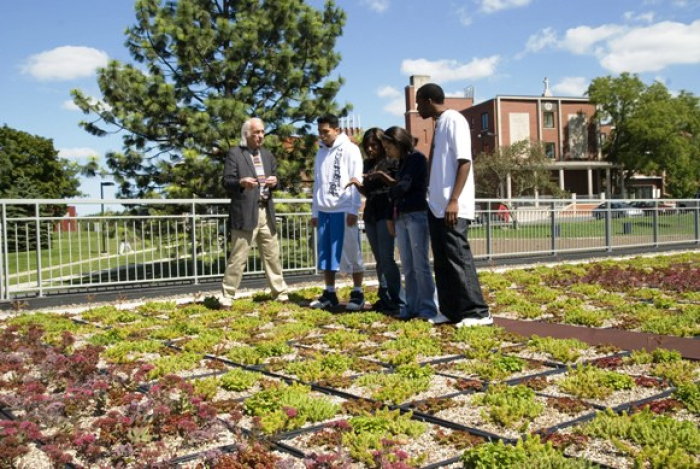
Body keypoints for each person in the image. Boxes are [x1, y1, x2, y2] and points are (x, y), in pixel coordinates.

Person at [415, 83, 492, 328]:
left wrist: (454, 200)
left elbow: (464, 161)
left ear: (428, 100)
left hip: (452, 205)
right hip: (437, 205)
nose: (417, 108)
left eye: (418, 102)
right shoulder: (439, 125)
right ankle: (449, 310)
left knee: (458, 258)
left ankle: (478, 313)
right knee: (442, 260)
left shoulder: (455, 119)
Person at [220, 117, 289, 304]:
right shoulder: (235, 153)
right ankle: (227, 295)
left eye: (262, 132)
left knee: (272, 255)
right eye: (256, 132)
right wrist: (241, 182)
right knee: (238, 256)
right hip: (244, 213)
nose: (260, 136)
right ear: (246, 134)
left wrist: (276, 183)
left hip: (266, 211)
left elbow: (277, 181)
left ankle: (280, 293)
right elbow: (226, 181)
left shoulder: (267, 156)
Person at [379, 126, 438, 320]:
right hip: (402, 216)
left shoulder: (417, 159)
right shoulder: (403, 163)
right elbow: (398, 190)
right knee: (408, 265)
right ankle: (411, 306)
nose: (387, 151)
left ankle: (428, 307)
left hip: (416, 215)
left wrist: (391, 191)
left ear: (398, 143)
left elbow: (403, 187)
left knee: (420, 265)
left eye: (389, 147)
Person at [345, 128, 405, 315]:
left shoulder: (392, 162)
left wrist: (381, 176)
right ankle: (384, 296)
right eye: (367, 146)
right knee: (379, 260)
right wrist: (357, 185)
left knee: (387, 258)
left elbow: (397, 185)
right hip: (371, 213)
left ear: (381, 144)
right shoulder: (368, 163)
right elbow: (368, 191)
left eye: (374, 145)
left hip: (386, 213)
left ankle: (399, 300)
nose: (370, 149)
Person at [309, 114, 365, 311]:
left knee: (351, 252)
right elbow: (317, 183)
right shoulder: (320, 152)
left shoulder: (351, 149)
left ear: (336, 129)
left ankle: (357, 292)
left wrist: (353, 208)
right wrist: (314, 211)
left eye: (325, 132)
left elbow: (356, 179)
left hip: (343, 209)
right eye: (320, 132)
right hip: (324, 210)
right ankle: (330, 292)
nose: (322, 136)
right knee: (325, 254)